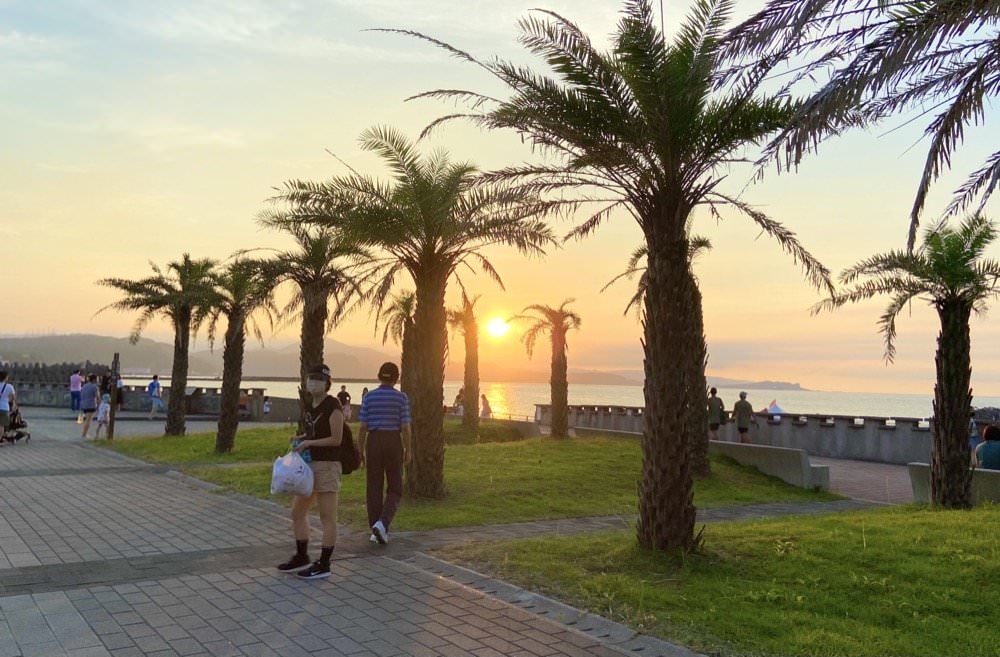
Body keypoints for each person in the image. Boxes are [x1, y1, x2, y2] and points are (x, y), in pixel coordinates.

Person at [277, 364, 344, 580]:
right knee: (297, 512)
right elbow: (313, 431)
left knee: (327, 517)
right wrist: (301, 438)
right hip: (308, 467)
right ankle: (302, 555)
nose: (313, 383)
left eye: (318, 379)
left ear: (327, 383)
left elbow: (336, 439)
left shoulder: (333, 405)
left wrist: (309, 443)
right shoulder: (310, 405)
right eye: (310, 379)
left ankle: (324, 564)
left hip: (327, 466)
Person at [357, 362, 411, 546]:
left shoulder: (369, 398)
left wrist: (360, 450)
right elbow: (405, 427)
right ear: (397, 378)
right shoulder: (401, 398)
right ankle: (383, 523)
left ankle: (375, 527)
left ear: (379, 376)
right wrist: (408, 449)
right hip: (393, 441)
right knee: (396, 486)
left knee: (373, 486)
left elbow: (363, 427)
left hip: (373, 441)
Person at [80, 374, 100, 439]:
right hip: (91, 405)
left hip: (83, 404)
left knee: (86, 420)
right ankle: (84, 434)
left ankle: (84, 433)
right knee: (88, 420)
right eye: (97, 379)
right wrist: (99, 405)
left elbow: (82, 394)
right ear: (94, 379)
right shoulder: (95, 387)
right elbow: (98, 397)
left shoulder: (84, 386)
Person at [0, 371, 16, 439]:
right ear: (6, 378)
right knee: (1, 425)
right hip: (4, 408)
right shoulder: (9, 386)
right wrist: (8, 401)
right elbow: (13, 398)